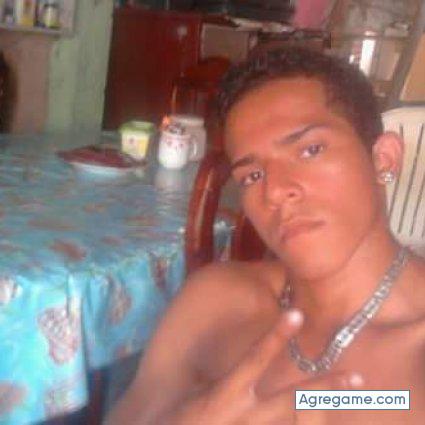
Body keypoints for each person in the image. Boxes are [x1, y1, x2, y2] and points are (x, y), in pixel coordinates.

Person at [107, 47, 425, 424]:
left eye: (310, 150)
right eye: (252, 175)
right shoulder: (216, 304)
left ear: (383, 158)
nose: (274, 191)